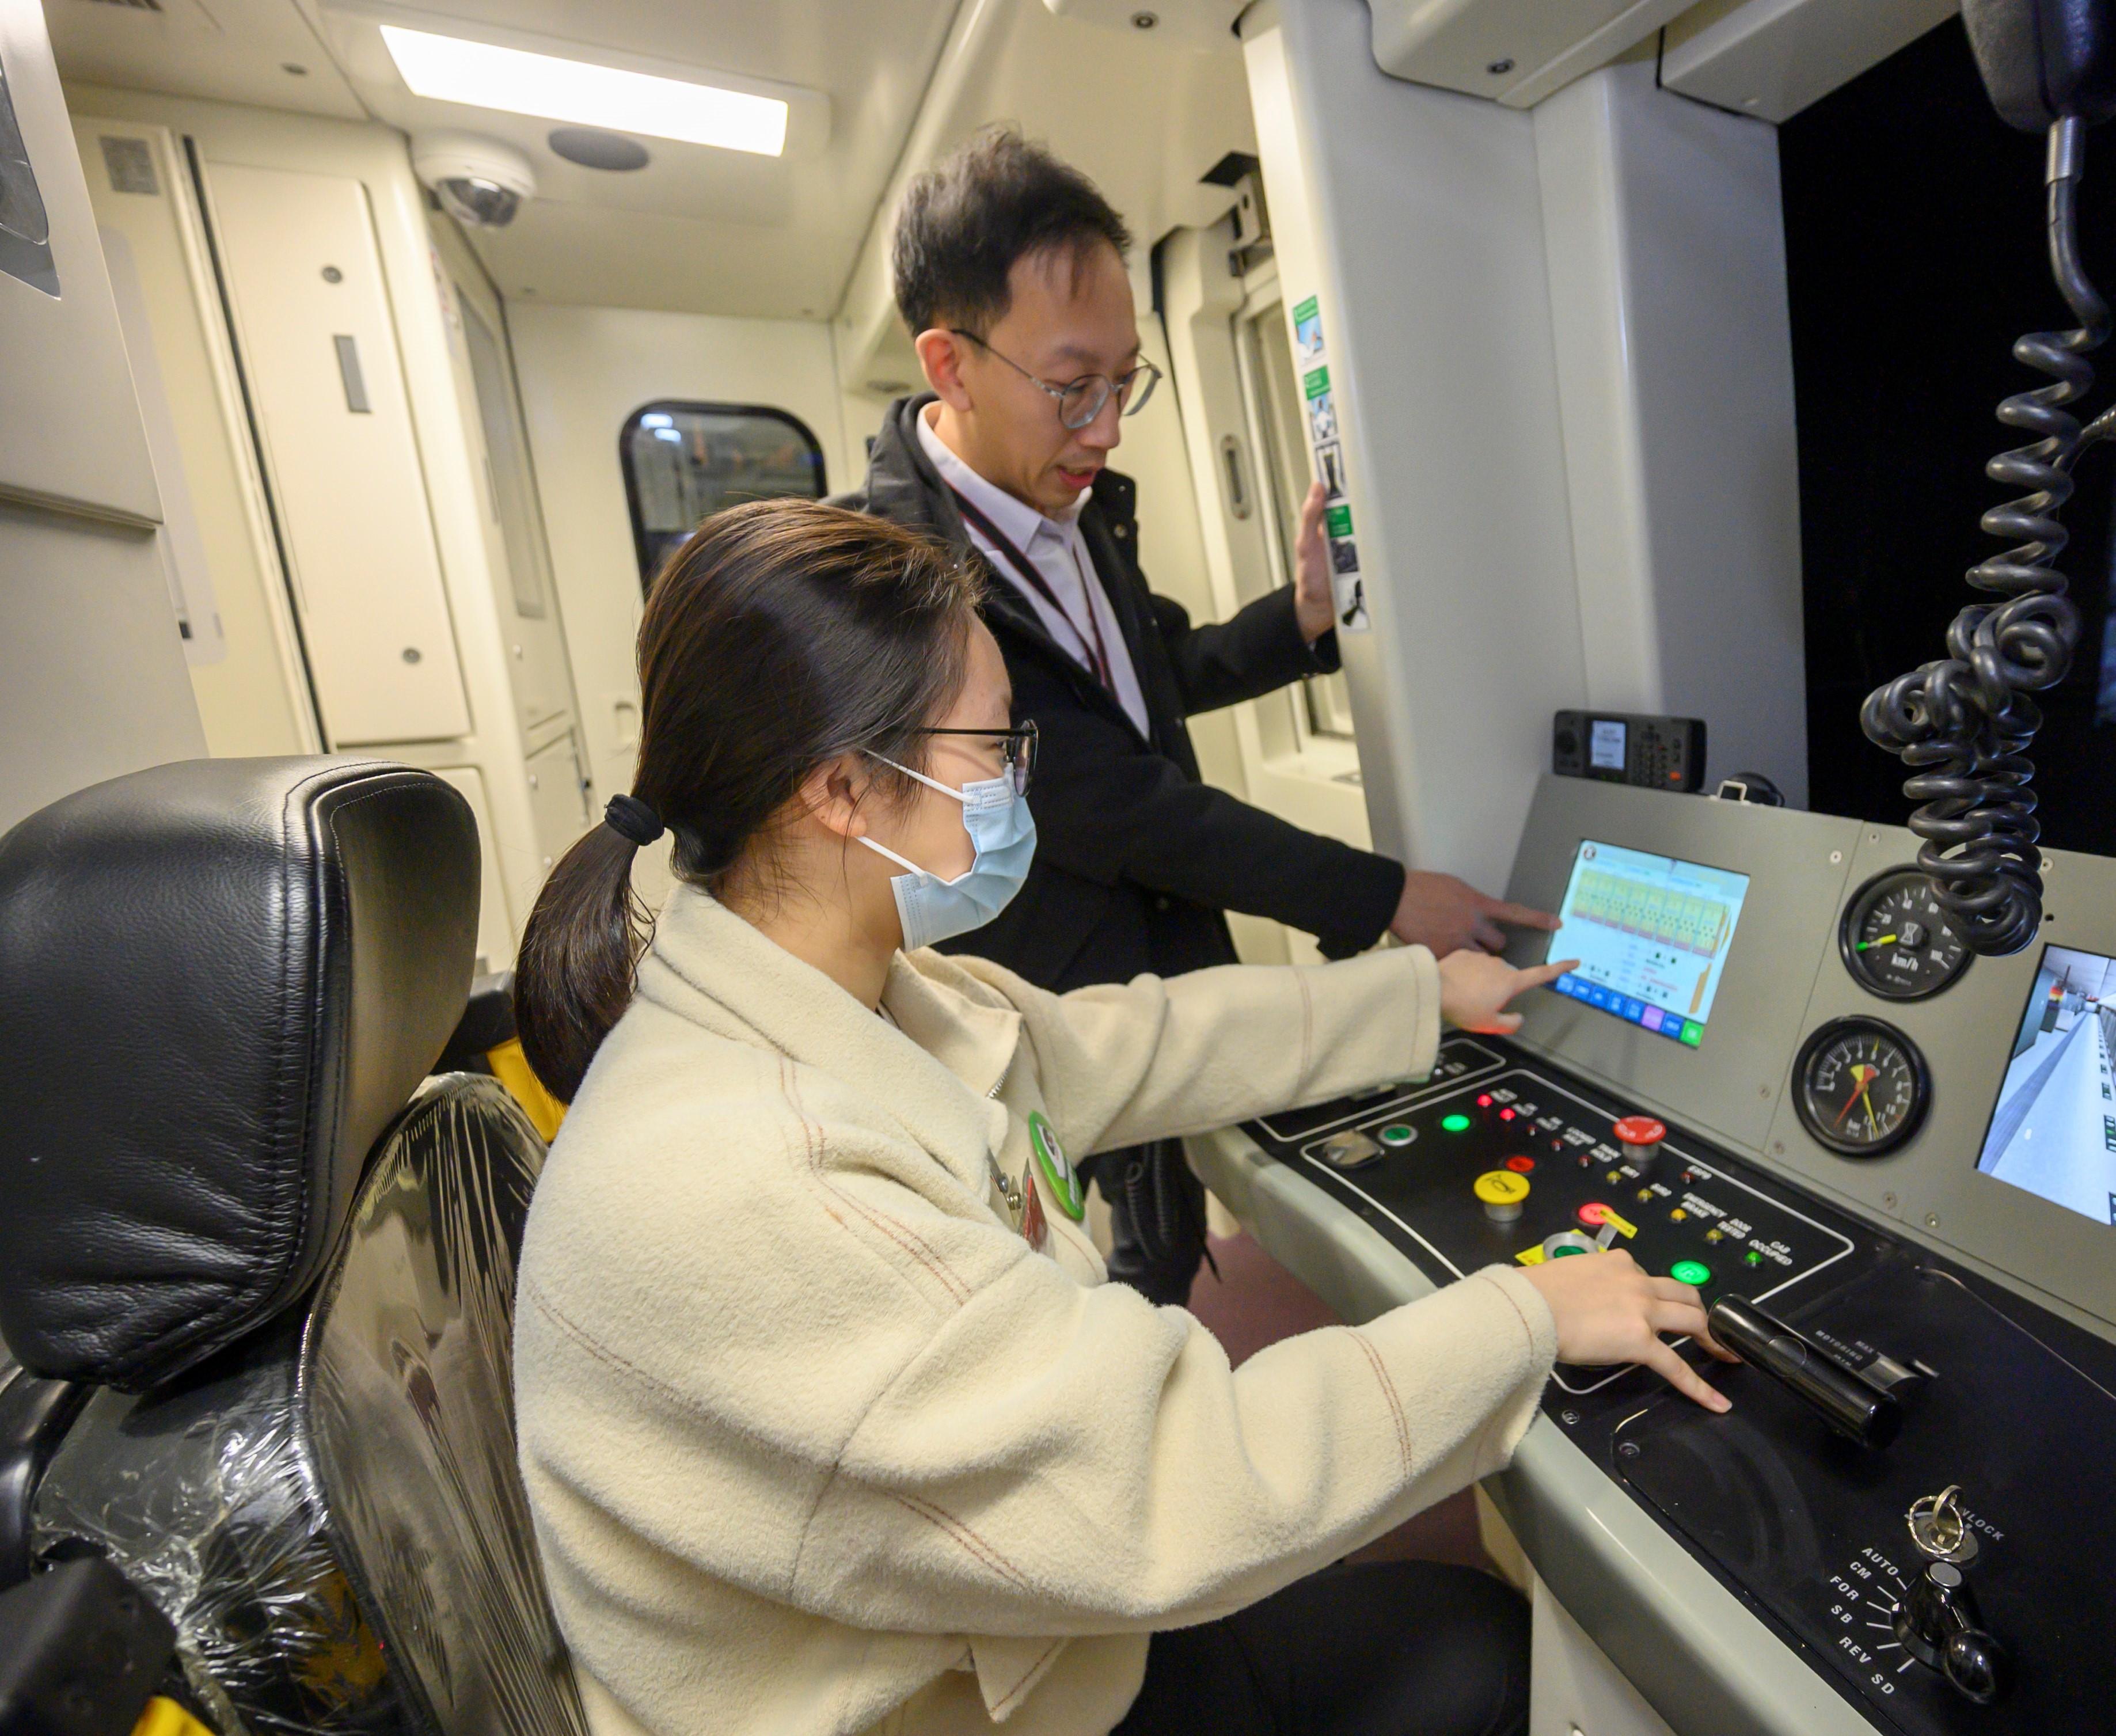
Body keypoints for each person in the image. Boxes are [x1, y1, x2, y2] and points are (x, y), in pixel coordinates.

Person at [511, 498, 1735, 1736]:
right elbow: (1164, 1478)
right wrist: (1525, 1316)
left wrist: (1419, 995)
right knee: (1479, 1661)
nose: (1015, 788)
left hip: (1008, 1635)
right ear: (842, 789)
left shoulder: (855, 992)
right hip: (956, 1699)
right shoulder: (764, 1172)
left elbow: (1127, 1043)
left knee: (1450, 1625)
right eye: (991, 748)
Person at [837, 128, 1558, 1303]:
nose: (1108, 425)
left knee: (1166, 1230)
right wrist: (1385, 898)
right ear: (949, 364)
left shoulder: (1065, 505)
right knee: (1101, 1269)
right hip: (1054, 1002)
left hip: (1162, 962)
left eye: (1126, 379)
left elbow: (1148, 668)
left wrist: (1302, 618)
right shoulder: (906, 583)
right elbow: (1122, 803)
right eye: (1073, 386)